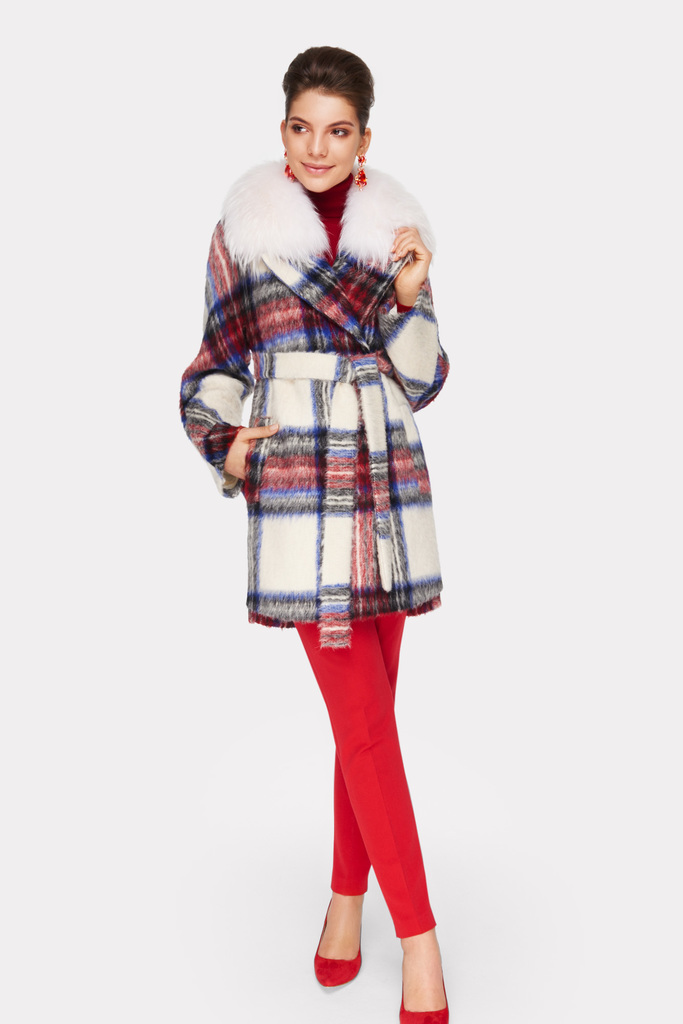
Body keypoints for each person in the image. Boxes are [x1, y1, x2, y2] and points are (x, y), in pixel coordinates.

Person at [180, 45, 450, 1023]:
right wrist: (226, 441)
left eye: (338, 131)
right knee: (364, 720)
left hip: (384, 485)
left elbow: (423, 377)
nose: (317, 147)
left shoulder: (395, 231)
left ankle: (345, 899)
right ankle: (419, 940)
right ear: (282, 130)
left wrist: (410, 297)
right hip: (299, 483)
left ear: (364, 139)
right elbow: (214, 364)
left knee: (363, 721)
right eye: (302, 127)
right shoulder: (243, 233)